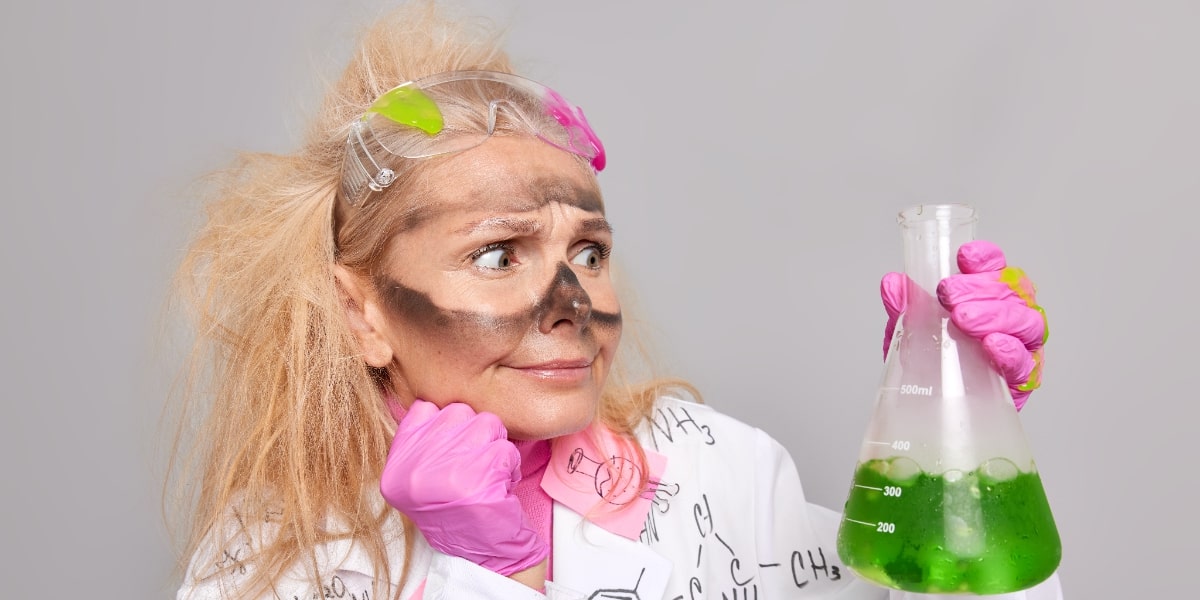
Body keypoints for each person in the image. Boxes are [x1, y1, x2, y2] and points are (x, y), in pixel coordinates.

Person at [168, 3, 1058, 599]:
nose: (572, 306)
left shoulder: (710, 471)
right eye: (497, 253)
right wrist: (487, 578)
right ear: (361, 310)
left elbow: (930, 588)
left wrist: (961, 439)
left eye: (587, 252)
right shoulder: (272, 558)